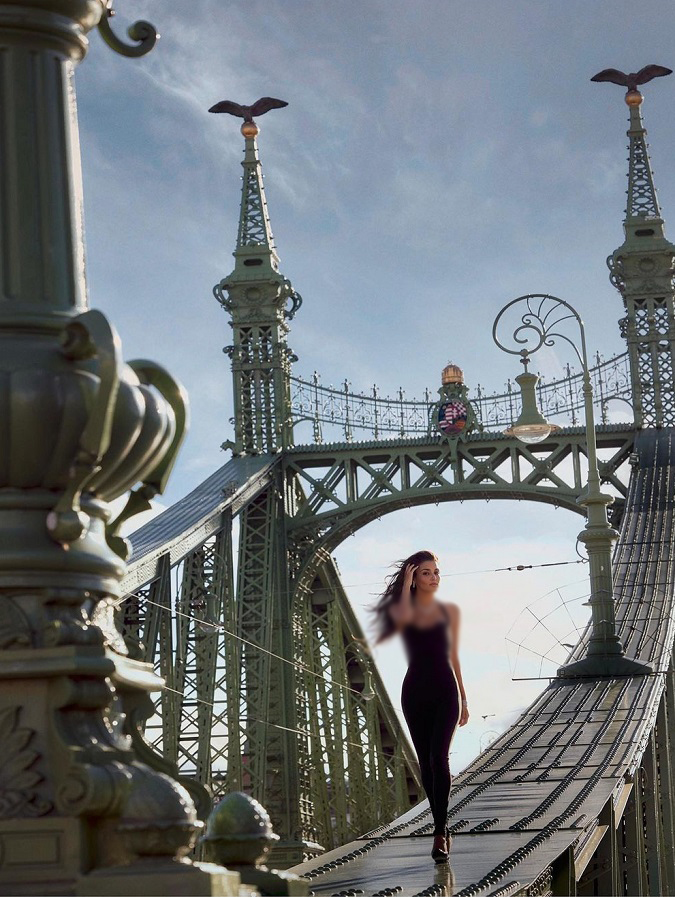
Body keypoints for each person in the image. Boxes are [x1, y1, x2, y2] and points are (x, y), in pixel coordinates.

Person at [370, 550, 469, 864]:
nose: (434, 577)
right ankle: (442, 827)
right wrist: (406, 584)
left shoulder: (448, 611)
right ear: (414, 579)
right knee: (425, 762)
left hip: (446, 691)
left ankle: (440, 832)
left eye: (436, 572)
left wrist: (464, 698)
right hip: (415, 692)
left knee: (439, 758)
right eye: (426, 573)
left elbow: (454, 657)